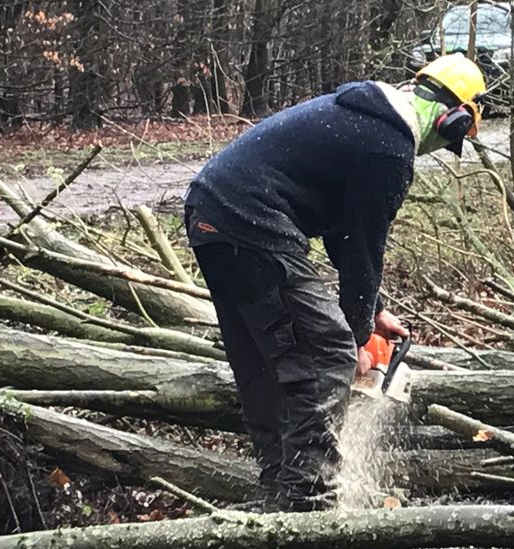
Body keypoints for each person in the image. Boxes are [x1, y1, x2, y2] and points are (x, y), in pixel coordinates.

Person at [183, 54, 487, 512]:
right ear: (454, 120)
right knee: (328, 351)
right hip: (252, 220)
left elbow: (343, 233)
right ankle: (309, 502)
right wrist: (357, 336)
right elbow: (366, 245)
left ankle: (279, 491)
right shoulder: (390, 146)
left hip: (210, 213)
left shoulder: (365, 117)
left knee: (264, 361)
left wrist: (373, 310)